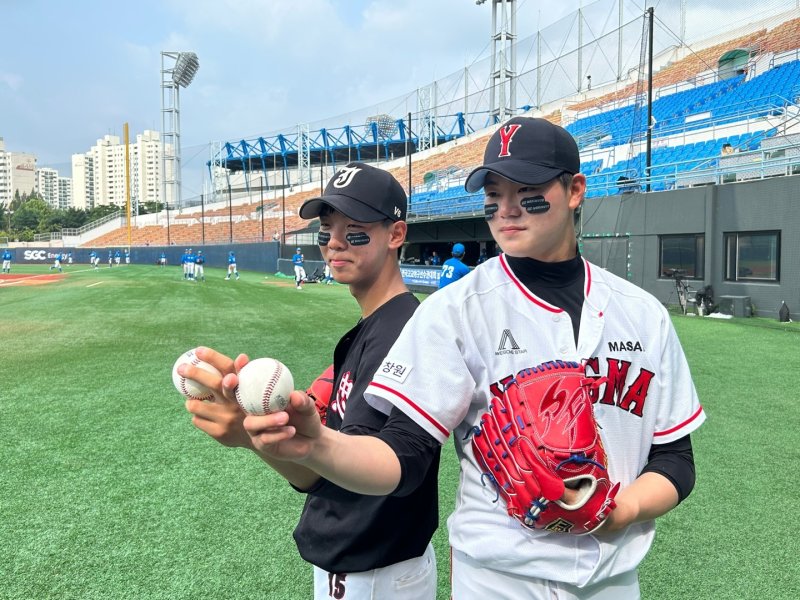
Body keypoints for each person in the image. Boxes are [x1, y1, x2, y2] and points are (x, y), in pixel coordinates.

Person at [360, 117, 705, 598]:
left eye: (528, 191)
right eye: (494, 196)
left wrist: (618, 511)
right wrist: (311, 446)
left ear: (575, 190)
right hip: (498, 578)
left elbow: (675, 459)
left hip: (612, 580)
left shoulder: (643, 314)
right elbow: (404, 451)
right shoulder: (457, 310)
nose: (507, 210)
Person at [179, 162, 440, 599]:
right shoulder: (376, 324)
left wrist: (282, 440)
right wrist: (254, 434)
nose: (335, 242)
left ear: (395, 235)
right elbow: (320, 473)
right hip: (368, 567)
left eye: (355, 231)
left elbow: (372, 470)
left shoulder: (399, 330)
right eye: (326, 231)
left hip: (374, 572)